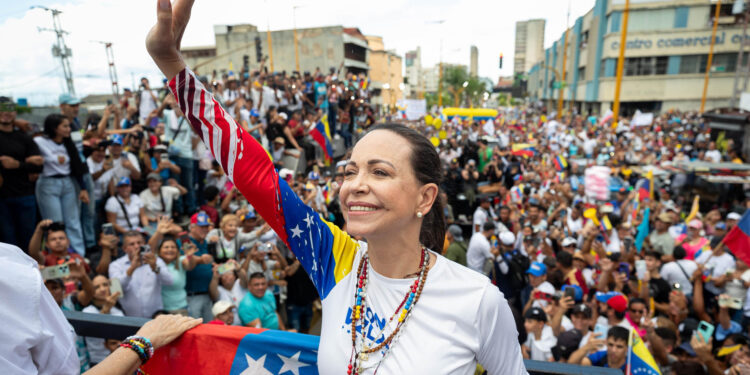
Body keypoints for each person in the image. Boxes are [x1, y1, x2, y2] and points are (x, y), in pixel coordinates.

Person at [146, 3, 526, 372]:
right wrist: (171, 65)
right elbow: (252, 170)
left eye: (379, 172)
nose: (355, 185)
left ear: (425, 197)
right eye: (349, 171)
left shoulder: (478, 300)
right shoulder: (334, 258)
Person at [34, 113, 90, 255]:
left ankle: (78, 256)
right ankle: (56, 258)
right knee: (55, 224)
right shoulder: (39, 141)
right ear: (54, 128)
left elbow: (77, 165)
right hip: (48, 183)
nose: (68, 129)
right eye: (64, 126)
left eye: (68, 126)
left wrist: (83, 188)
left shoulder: (68, 143)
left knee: (73, 222)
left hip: (67, 183)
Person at [0, 96, 43, 249]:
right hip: (2, 198)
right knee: (8, 242)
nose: (6, 112)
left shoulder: (24, 137)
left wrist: (17, 164)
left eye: (10, 109)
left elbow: (38, 166)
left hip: (24, 195)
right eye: (2, 108)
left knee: (29, 239)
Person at [108, 231, 174, 317]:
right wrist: (131, 269)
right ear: (124, 248)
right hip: (129, 319)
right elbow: (116, 291)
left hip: (155, 317)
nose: (137, 246)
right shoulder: (115, 265)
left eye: (139, 243)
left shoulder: (155, 261)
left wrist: (155, 267)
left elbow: (169, 281)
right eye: (132, 244)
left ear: (144, 244)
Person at [82, 275, 124, 365]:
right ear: (91, 292)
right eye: (97, 287)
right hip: (98, 362)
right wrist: (105, 310)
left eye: (105, 285)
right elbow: (94, 332)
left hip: (119, 361)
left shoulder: (118, 312)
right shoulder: (87, 311)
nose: (102, 289)